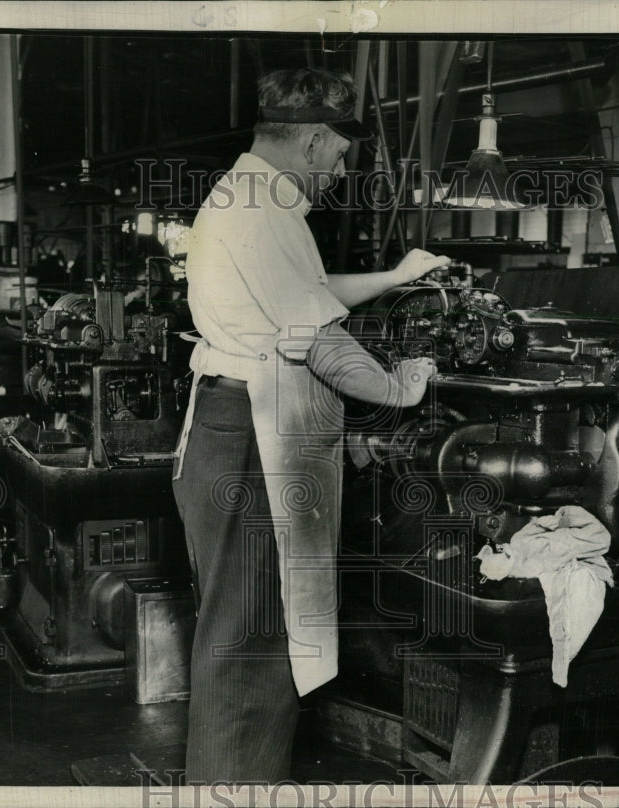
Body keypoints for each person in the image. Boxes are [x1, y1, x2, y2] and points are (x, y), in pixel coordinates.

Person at [170, 67, 450, 783]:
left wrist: (396, 277)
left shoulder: (252, 195)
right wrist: (404, 387)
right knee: (251, 647)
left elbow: (312, 293)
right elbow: (322, 341)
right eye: (340, 154)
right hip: (247, 442)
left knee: (249, 638)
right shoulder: (262, 208)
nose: (340, 169)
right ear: (318, 140)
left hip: (236, 426)